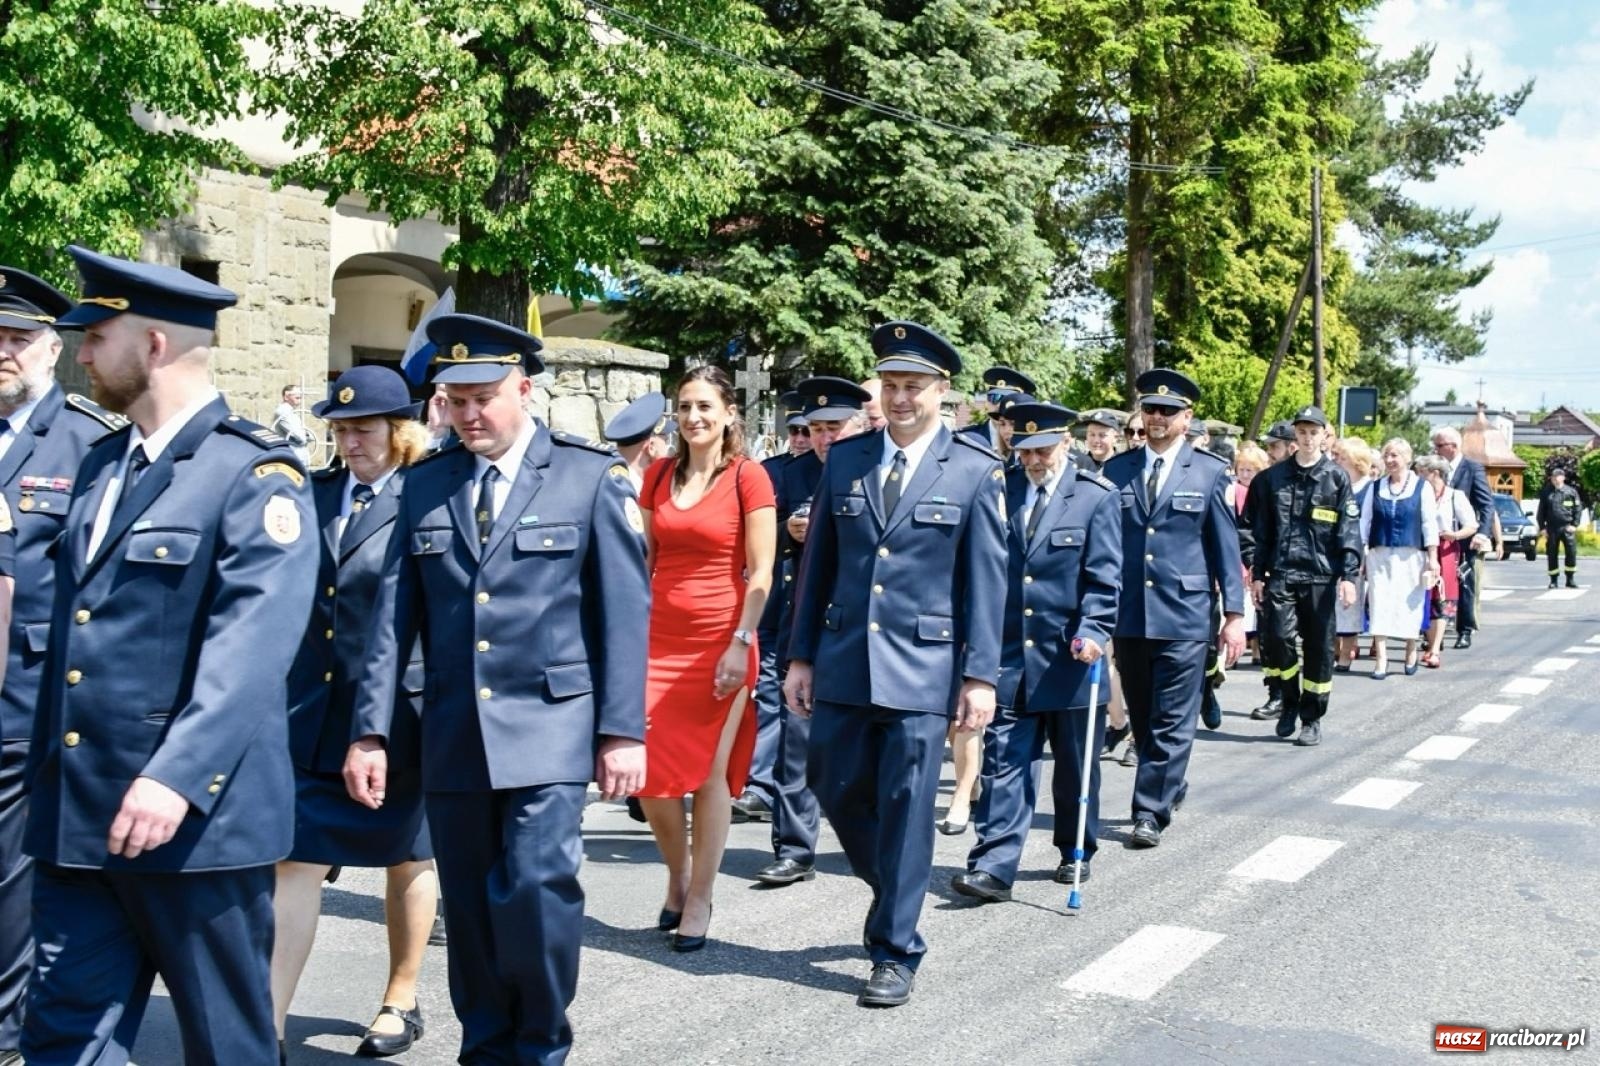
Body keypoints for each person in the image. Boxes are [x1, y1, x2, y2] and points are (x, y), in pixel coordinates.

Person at [21, 246, 318, 1065]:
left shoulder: (253, 472)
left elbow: (252, 647)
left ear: (152, 344)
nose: (81, 353)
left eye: (96, 334)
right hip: (82, 815)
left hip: (196, 826)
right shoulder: (99, 465)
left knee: (226, 1043)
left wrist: (175, 776)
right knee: (65, 1039)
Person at [344, 312, 648, 1065]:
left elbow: (623, 613)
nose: (469, 414)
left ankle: (541, 1040)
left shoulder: (588, 476)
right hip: (452, 730)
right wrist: (370, 729)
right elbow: (392, 619)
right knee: (474, 911)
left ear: (524, 389)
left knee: (537, 890)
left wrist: (623, 730)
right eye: (454, 399)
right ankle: (485, 1046)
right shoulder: (425, 485)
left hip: (549, 727)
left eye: (484, 396)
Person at [784, 322, 1006, 1008]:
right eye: (890, 385)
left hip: (924, 666)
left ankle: (895, 948)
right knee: (831, 783)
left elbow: (987, 584)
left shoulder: (974, 470)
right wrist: (799, 657)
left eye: (914, 386)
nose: (901, 397)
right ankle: (897, 883)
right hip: (846, 656)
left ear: (943, 391)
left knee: (909, 807)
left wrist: (980, 676)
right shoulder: (847, 461)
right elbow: (818, 563)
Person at [270, 366, 438, 1060]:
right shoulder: (313, 491)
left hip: (405, 709)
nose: (349, 441)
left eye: (362, 428)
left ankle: (401, 995)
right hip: (316, 709)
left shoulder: (429, 494)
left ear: (399, 430)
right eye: (339, 429)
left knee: (407, 853)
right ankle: (266, 1026)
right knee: (296, 861)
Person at [0, 267, 123, 1059]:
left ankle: (8, 1028)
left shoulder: (87, 443)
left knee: (12, 876)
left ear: (53, 348)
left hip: (29, 692)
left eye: (15, 341)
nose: (1, 355)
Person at [950, 403, 1121, 901]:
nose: (1034, 460)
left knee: (1074, 767)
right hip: (1007, 655)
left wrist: (1094, 629)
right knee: (1006, 764)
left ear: (1065, 443)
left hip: (1069, 657)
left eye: (1043, 449)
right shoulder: (1000, 489)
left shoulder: (1095, 497)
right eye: (1024, 451)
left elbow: (1104, 578)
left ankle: (1075, 849)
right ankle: (994, 866)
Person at [635, 367, 775, 950]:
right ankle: (679, 873)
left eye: (705, 406)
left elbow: (762, 570)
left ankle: (700, 898)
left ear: (728, 414)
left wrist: (741, 644)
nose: (694, 417)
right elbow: (643, 561)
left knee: (710, 776)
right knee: (650, 780)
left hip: (724, 641)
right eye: (685, 406)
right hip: (656, 641)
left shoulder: (749, 477)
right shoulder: (659, 476)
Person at [1101, 369, 1244, 848]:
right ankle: (1169, 781)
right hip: (1130, 613)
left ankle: (1149, 811)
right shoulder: (1117, 471)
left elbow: (1226, 549)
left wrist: (1235, 616)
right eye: (1150, 409)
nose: (1156, 418)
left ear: (1187, 418)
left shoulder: (1209, 472)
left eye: (1167, 411)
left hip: (1185, 613)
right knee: (1142, 714)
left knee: (1172, 717)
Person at [754, 379, 869, 885]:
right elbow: (750, 544)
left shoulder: (874, 468)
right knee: (795, 739)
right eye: (816, 429)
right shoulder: (781, 475)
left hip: (861, 630)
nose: (824, 438)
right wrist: (787, 533)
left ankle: (866, 837)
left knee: (861, 745)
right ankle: (795, 848)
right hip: (798, 623)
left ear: (859, 425)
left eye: (834, 427)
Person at [1247, 406, 1360, 747]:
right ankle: (1289, 699)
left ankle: (1311, 718)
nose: (1308, 438)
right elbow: (1253, 529)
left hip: (1320, 577)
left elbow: (1349, 530)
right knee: (1278, 640)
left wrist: (1348, 576)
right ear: (1294, 435)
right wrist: (1256, 571)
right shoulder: (1271, 479)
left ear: (1324, 436)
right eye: (1302, 432)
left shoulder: (1336, 479)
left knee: (1319, 649)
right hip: (1280, 573)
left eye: (1314, 432)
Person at [734, 391, 810, 830]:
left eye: (810, 430)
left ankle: (802, 786)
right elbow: (756, 536)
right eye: (796, 431)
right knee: (767, 689)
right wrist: (788, 531)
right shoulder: (774, 471)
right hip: (776, 594)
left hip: (815, 601)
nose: (801, 439)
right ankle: (761, 785)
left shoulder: (846, 467)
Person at [1360, 438, 1439, 679]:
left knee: (1410, 603)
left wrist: (1432, 558)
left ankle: (1411, 650)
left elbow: (1429, 523)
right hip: (1379, 553)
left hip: (1411, 554)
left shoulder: (1421, 487)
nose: (1390, 460)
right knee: (1380, 602)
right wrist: (1362, 553)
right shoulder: (1375, 488)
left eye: (1395, 455)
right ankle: (1381, 659)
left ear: (1407, 458)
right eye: (1387, 455)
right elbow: (1365, 522)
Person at [1431, 427, 1492, 647]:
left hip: (1466, 536)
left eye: (1439, 446)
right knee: (1439, 585)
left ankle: (1464, 629)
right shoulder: (1434, 469)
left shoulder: (1472, 468)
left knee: (1465, 584)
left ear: (1453, 446)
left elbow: (1486, 504)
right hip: (1439, 539)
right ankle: (1432, 630)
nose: (1435, 449)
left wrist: (1483, 533)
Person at [1416, 455, 1478, 668]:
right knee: (1424, 597)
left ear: (1434, 473)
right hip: (1420, 549)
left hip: (1446, 550)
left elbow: (1471, 524)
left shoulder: (1454, 496)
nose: (1418, 476)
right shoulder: (1419, 494)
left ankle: (1434, 649)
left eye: (1422, 472)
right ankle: (1430, 641)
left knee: (1442, 599)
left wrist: (1455, 535)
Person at [1331, 438, 1376, 670]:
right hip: (1332, 548)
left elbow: (1366, 525)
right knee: (1332, 602)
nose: (1338, 462)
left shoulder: (1369, 488)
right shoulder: (1337, 484)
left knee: (1350, 604)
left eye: (1343, 459)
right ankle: (1335, 648)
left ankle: (1346, 653)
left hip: (1356, 550)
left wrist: (1361, 554)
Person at [957, 366, 1035, 456]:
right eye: (994, 398)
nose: (999, 405)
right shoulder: (968, 438)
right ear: (986, 402)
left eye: (1006, 399)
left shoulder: (1029, 439)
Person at [603, 391, 675, 489]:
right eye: (665, 441)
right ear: (651, 447)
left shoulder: (611, 482)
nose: (668, 449)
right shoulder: (631, 496)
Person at [1537, 468, 1581, 589]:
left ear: (1563, 477)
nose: (1555, 479)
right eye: (1553, 477)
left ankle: (1570, 579)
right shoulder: (1546, 492)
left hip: (1567, 528)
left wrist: (1574, 525)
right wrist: (1542, 527)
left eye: (1557, 476)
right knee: (1552, 554)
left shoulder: (1571, 492)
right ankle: (1553, 580)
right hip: (1552, 529)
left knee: (1571, 553)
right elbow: (1541, 512)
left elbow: (1577, 509)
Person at [273, 383, 315, 465]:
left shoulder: (292, 413)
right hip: (292, 457)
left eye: (300, 394)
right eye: (296, 394)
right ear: (286, 397)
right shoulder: (283, 412)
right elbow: (300, 437)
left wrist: (306, 435)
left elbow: (309, 436)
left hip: (299, 457)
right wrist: (306, 435)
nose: (299, 396)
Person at [1074, 408, 1122, 475]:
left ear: (1115, 437)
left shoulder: (1124, 465)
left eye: (1102, 435)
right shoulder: (1077, 465)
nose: (1096, 440)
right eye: (1092, 434)